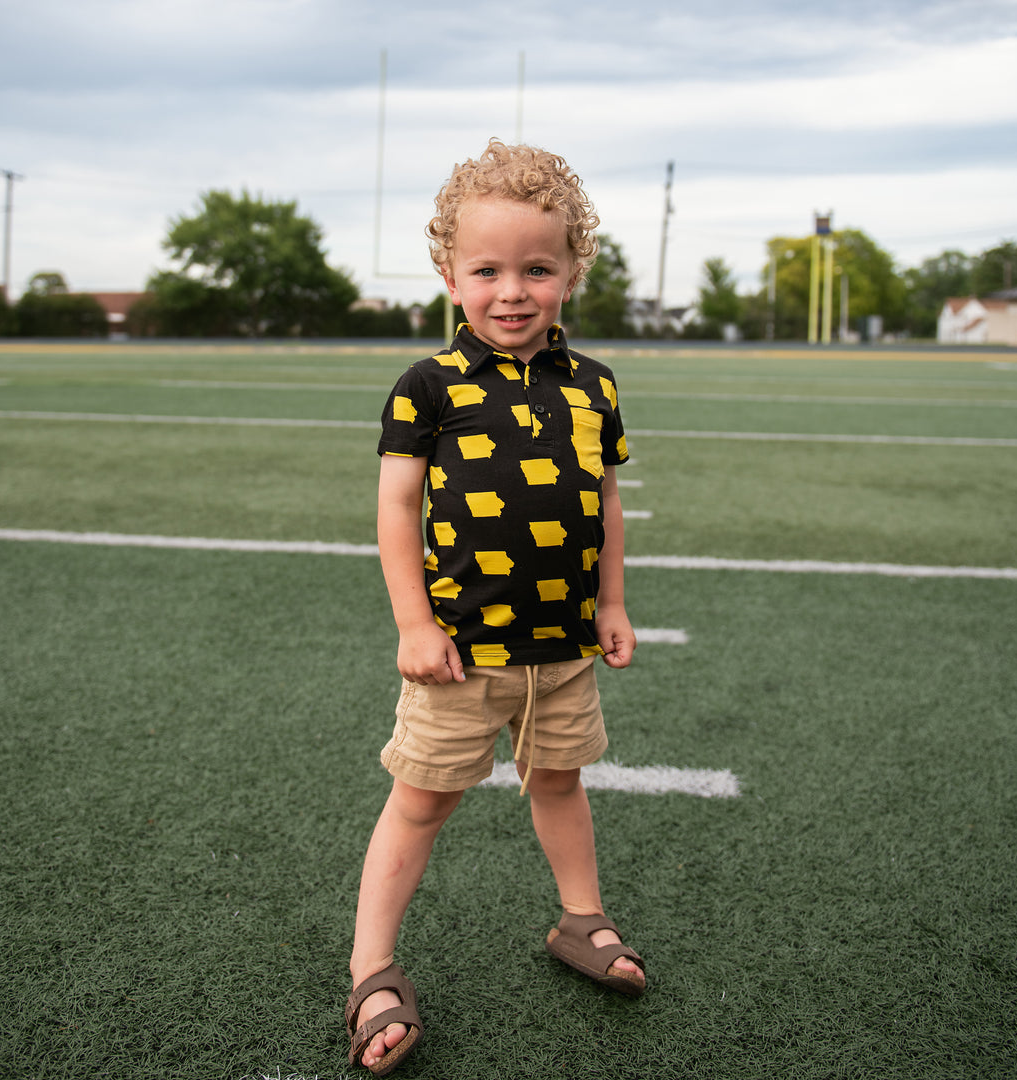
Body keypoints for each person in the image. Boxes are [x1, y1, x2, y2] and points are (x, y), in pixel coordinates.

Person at [346, 138, 644, 1077]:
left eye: (537, 269)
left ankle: (580, 920)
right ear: (449, 274)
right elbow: (397, 508)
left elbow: (602, 499)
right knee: (422, 803)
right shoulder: (427, 386)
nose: (512, 290)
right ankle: (372, 969)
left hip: (562, 648)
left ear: (570, 272)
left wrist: (613, 602)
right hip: (462, 653)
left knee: (559, 783)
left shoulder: (593, 385)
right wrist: (414, 624)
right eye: (488, 270)